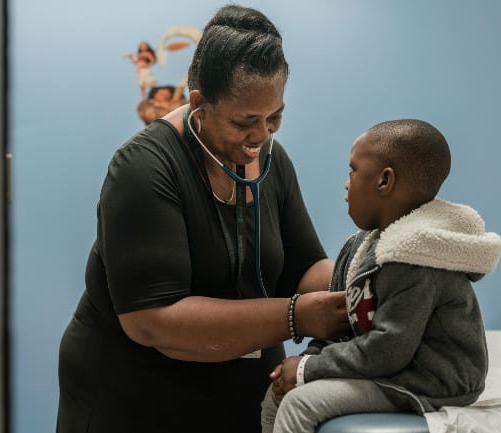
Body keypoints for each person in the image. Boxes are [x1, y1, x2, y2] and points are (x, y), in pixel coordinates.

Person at [57, 5, 350, 433]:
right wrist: (296, 317)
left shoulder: (270, 158)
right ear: (199, 104)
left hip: (236, 396)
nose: (263, 135)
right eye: (246, 121)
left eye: (275, 117)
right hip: (136, 401)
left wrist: (366, 277)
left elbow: (302, 268)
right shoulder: (144, 169)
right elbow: (154, 319)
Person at [260, 119, 501, 433]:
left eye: (353, 170)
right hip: (390, 367)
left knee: (299, 403)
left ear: (384, 181)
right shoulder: (361, 249)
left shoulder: (416, 259)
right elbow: (340, 328)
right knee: (276, 396)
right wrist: (302, 365)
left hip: (431, 380)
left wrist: (308, 369)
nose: (346, 183)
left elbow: (388, 349)